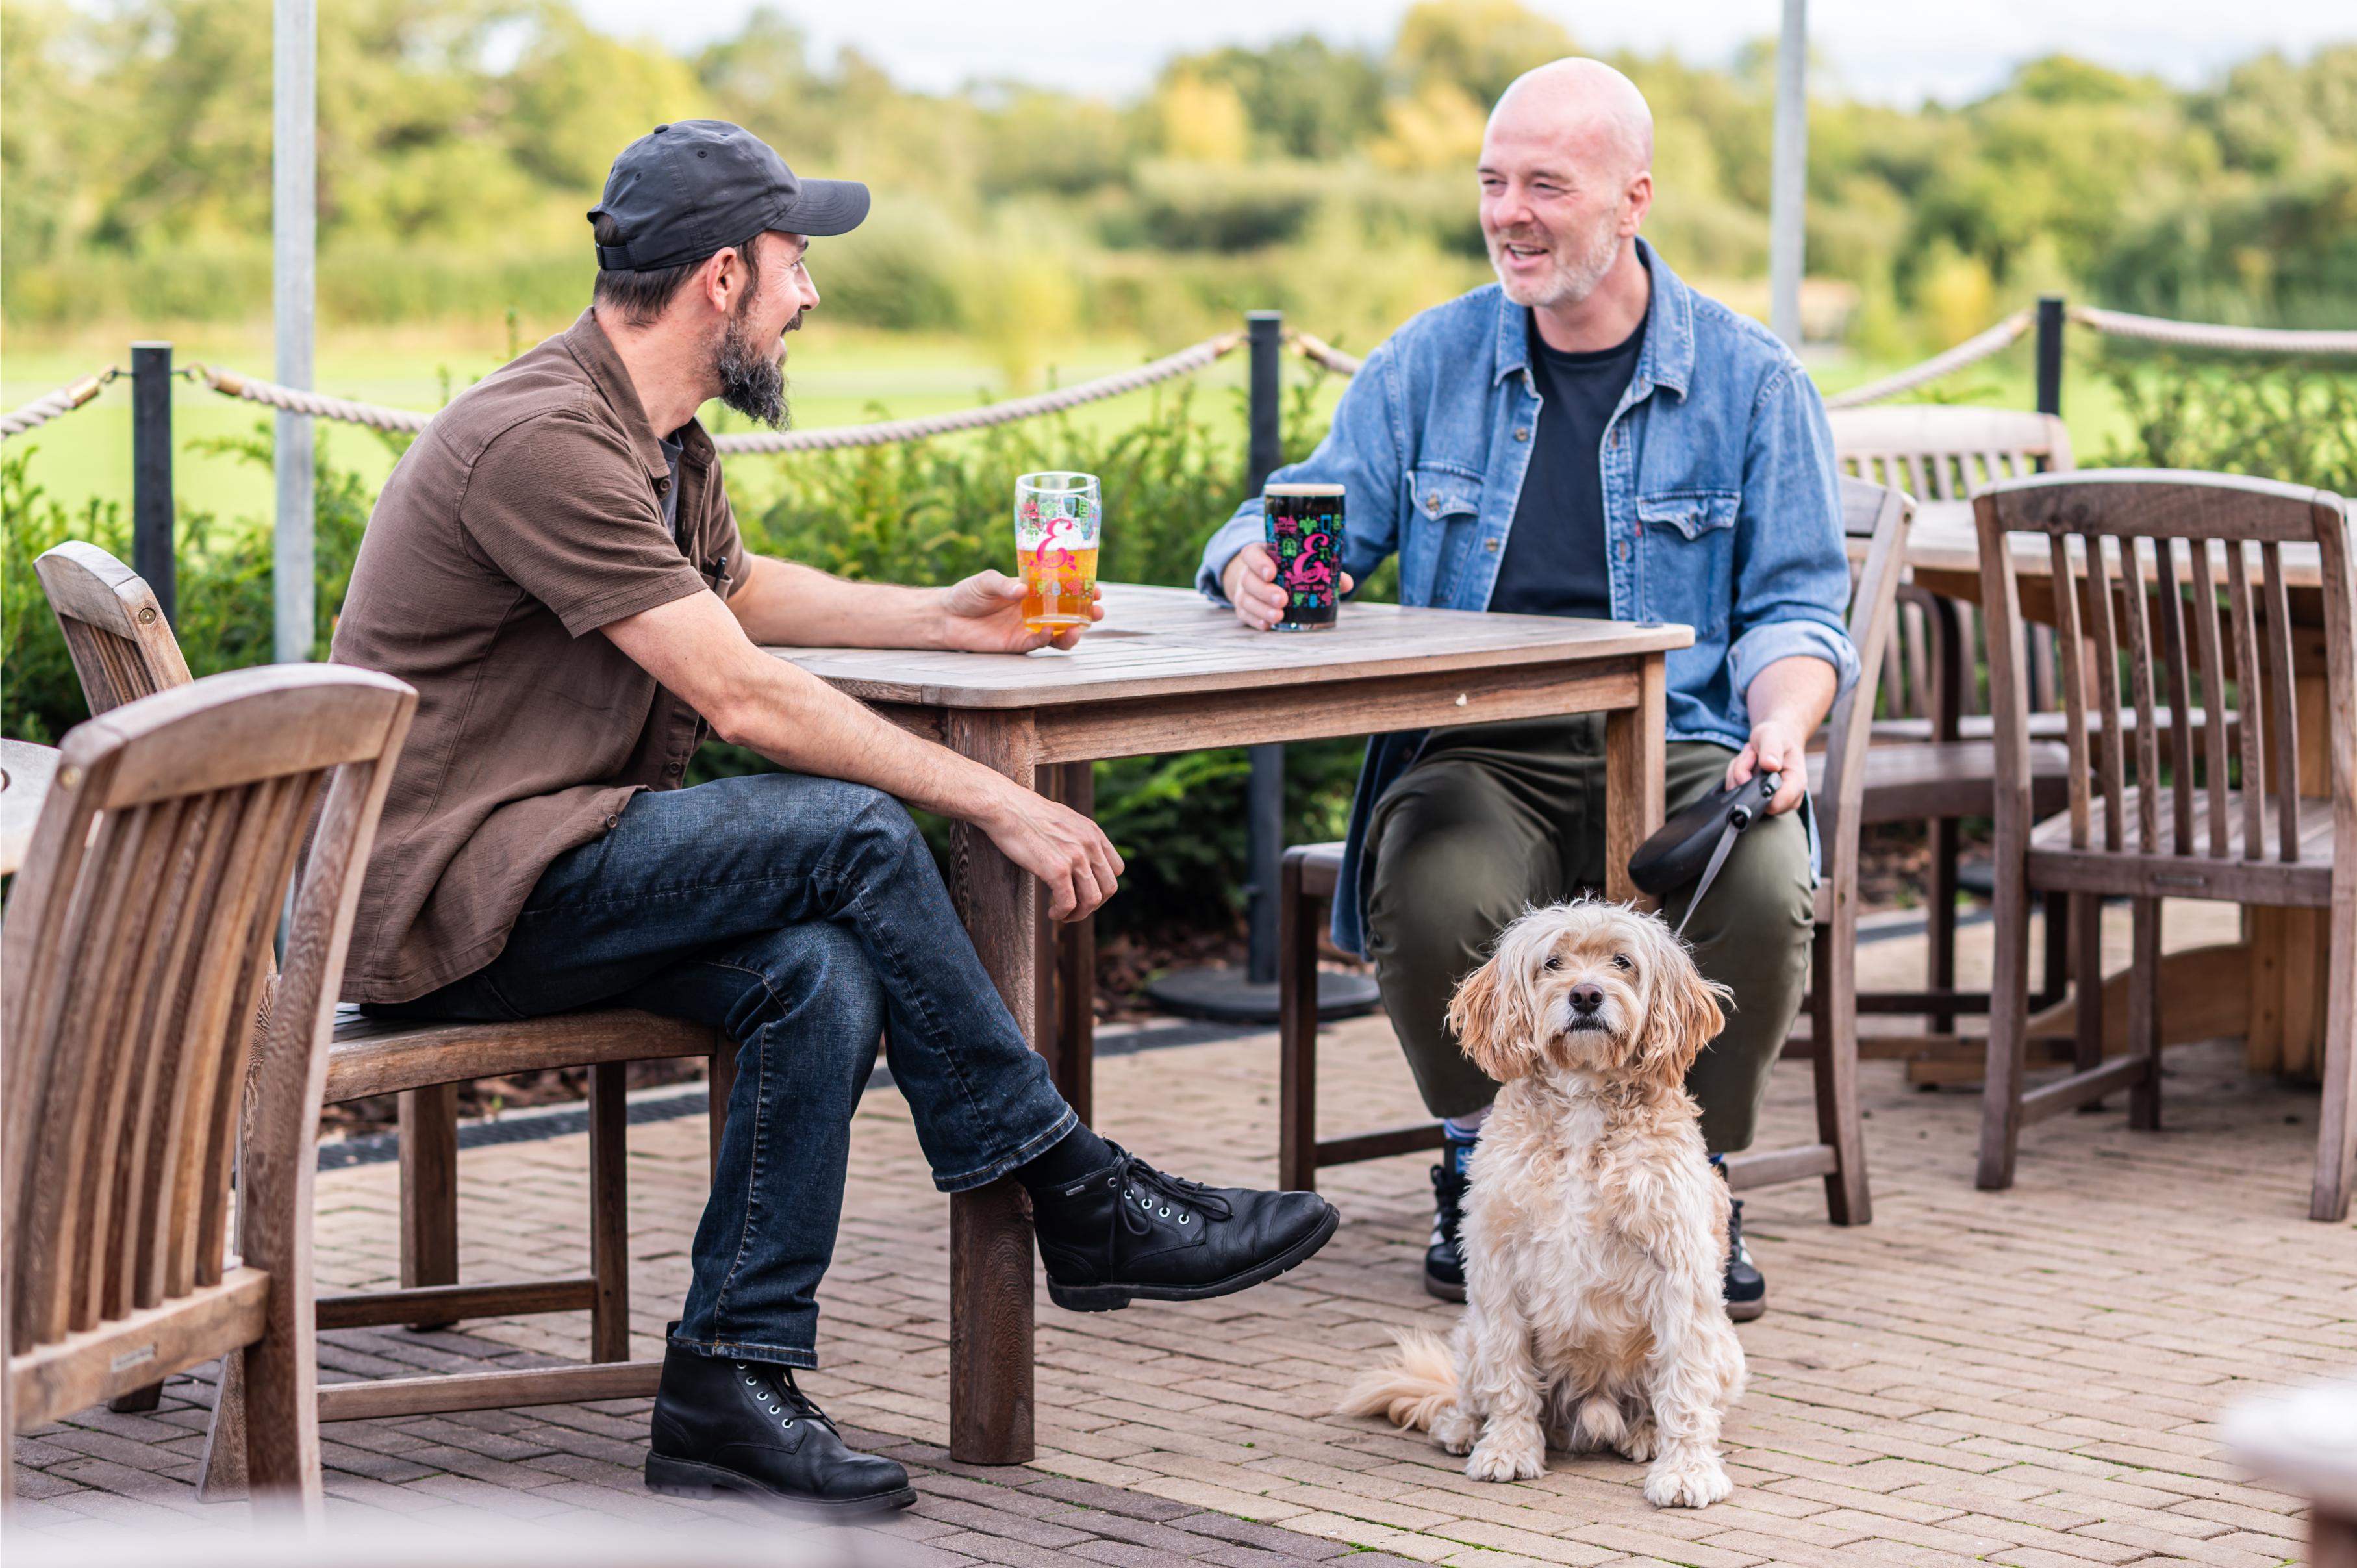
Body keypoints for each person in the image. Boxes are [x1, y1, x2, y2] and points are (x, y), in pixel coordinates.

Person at [331, 120, 1337, 1517]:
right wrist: (1001, 798)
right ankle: (1078, 1190)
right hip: (453, 902)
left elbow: (732, 596)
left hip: (550, 864)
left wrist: (942, 617)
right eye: (801, 266)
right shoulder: (541, 439)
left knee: (822, 970)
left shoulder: (656, 434)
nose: (814, 297)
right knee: (853, 833)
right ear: (727, 278)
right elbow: (743, 694)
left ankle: (728, 1384)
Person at [1196, 62, 1856, 1320]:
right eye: (1494, 183)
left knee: (1767, 888)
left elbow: (1796, 609)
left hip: (1681, 737)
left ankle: (1692, 1183)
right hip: (1479, 745)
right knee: (1433, 876)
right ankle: (1476, 1164)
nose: (1511, 211)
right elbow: (1303, 511)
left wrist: (1782, 724)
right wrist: (1251, 564)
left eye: (1546, 184)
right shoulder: (1430, 361)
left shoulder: (1752, 380)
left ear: (1633, 199)